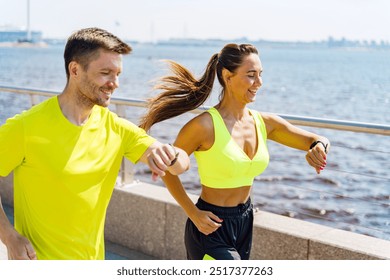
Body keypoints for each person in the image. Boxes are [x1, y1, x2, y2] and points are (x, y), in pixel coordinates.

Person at [0, 27, 190, 260]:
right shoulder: (26, 127)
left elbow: (180, 165)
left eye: (118, 73)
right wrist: (9, 237)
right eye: (106, 73)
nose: (115, 83)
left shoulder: (116, 127)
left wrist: (169, 154)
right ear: (75, 70)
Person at [139, 43, 330, 260]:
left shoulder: (265, 123)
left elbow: (316, 139)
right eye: (251, 75)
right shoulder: (204, 126)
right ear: (227, 76)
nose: (259, 82)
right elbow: (169, 169)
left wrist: (319, 148)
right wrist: (192, 213)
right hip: (210, 227)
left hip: (245, 221)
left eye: (260, 74)